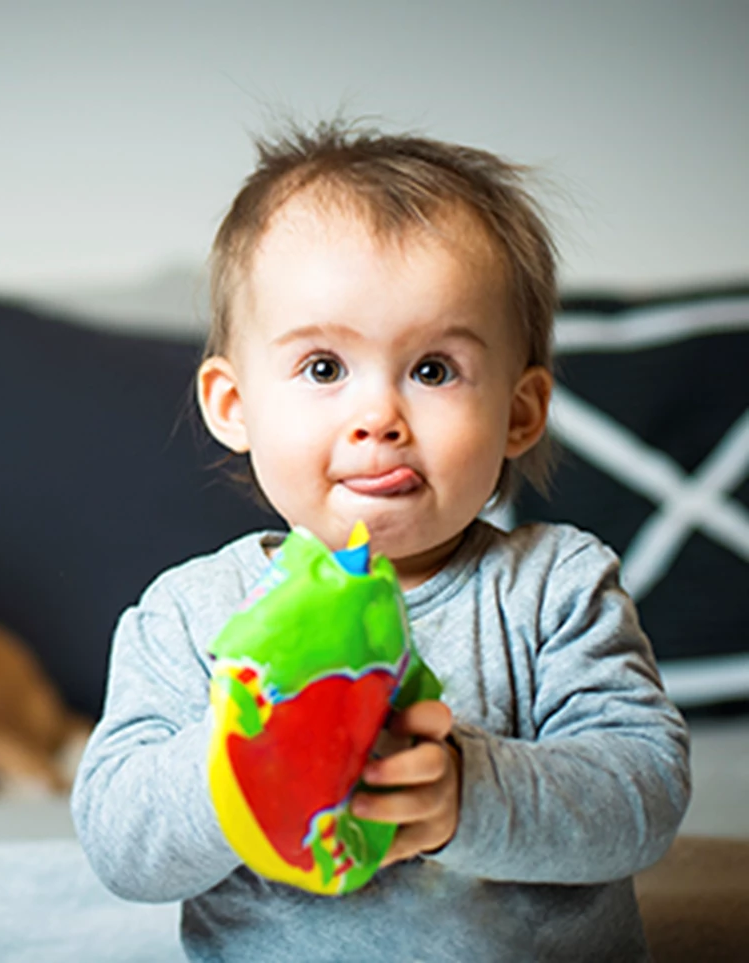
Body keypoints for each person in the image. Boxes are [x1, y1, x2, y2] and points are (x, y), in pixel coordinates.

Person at [70, 122, 691, 962]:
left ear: (519, 412)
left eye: (433, 369)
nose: (379, 418)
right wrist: (244, 754)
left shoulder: (555, 586)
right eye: (324, 367)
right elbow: (119, 842)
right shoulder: (190, 614)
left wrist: (470, 790)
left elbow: (643, 793)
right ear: (233, 404)